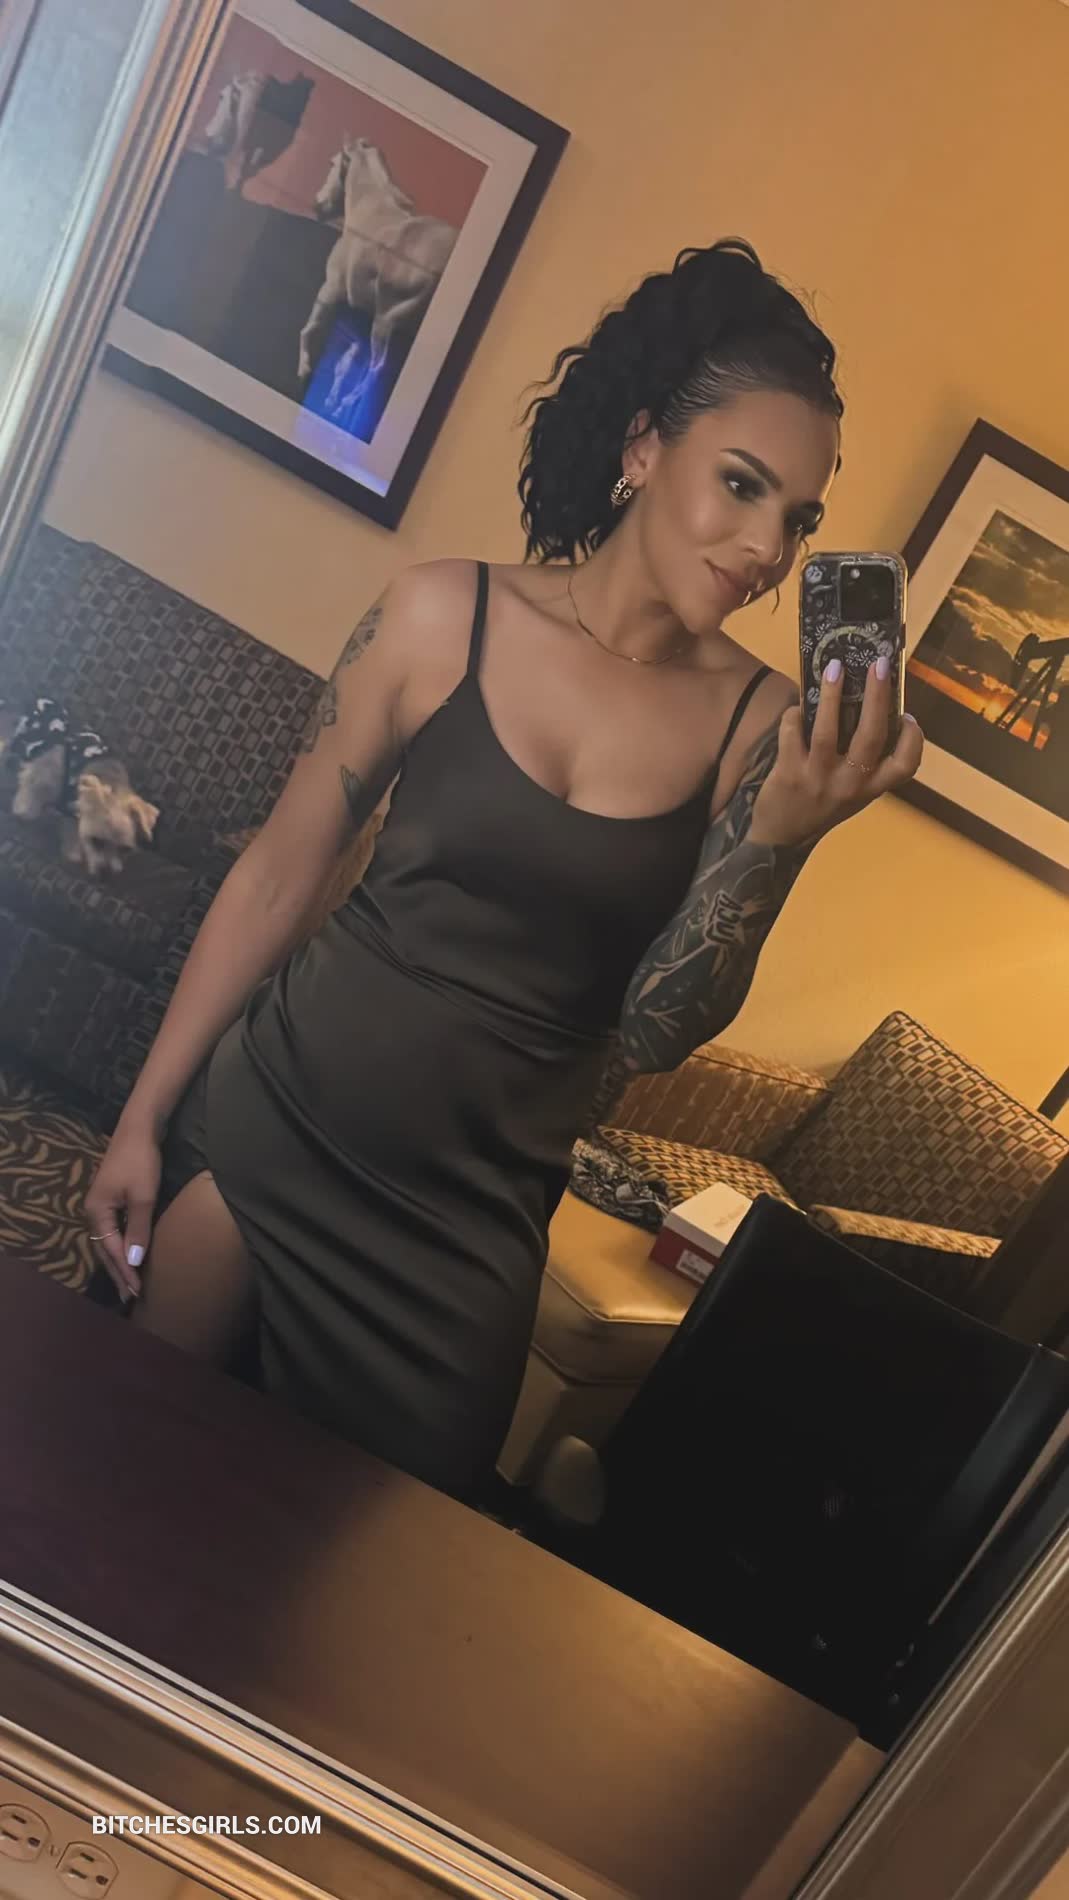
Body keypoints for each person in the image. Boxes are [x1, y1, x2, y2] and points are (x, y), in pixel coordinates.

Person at [86, 238, 923, 1501]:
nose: (766, 546)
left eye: (797, 520)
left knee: (335, 1590)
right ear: (643, 448)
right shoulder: (440, 614)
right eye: (741, 485)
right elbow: (274, 878)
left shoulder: (764, 732)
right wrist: (142, 1120)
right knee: (111, 1497)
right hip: (271, 1134)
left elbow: (655, 1030)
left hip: (464, 1236)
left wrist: (780, 838)